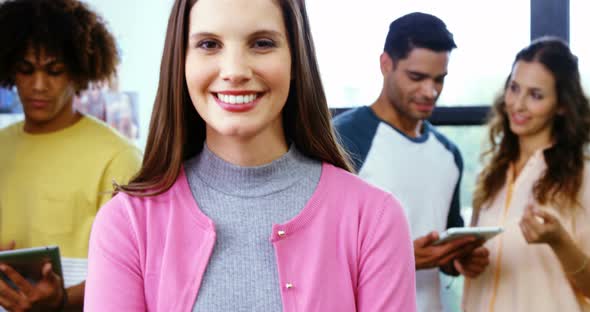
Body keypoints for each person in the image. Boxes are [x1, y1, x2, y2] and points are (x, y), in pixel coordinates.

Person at [84, 0, 417, 311]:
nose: (234, 71)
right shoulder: (126, 223)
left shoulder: (373, 218)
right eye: (208, 44)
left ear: (296, 60)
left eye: (261, 43)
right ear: (181, 62)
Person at [333, 12, 489, 312]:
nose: (430, 92)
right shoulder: (343, 139)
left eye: (439, 79)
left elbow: (445, 252)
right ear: (385, 64)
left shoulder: (448, 154)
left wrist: (461, 259)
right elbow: (316, 253)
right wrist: (399, 258)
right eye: (417, 77)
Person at [0, 0, 142, 310]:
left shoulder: (117, 156)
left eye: (54, 71)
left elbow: (138, 271)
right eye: (26, 70)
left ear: (78, 74)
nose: (38, 86)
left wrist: (61, 300)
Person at [463, 37, 590, 311]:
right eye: (514, 88)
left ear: (562, 105)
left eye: (536, 95)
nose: (518, 105)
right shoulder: (490, 175)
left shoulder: (584, 177)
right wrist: (466, 260)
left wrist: (559, 241)